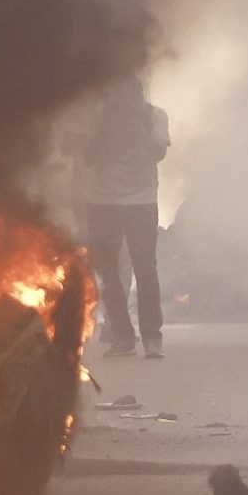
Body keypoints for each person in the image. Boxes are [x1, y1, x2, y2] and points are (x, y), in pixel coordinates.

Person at [77, 82, 171, 359]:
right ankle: (123, 336)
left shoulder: (154, 116)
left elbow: (158, 153)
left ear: (139, 97)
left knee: (145, 269)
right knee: (108, 272)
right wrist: (106, 129)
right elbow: (89, 157)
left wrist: (135, 127)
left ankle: (153, 338)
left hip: (141, 201)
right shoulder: (98, 117)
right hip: (102, 201)